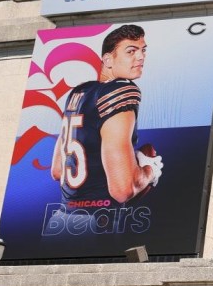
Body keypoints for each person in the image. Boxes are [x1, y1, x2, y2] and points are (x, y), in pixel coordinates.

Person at [51, 24, 163, 206]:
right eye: (131, 51)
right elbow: (122, 190)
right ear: (108, 59)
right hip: (99, 223)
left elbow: (57, 170)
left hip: (60, 221)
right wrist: (149, 170)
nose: (141, 56)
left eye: (143, 50)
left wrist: (130, 158)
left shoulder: (79, 92)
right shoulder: (121, 90)